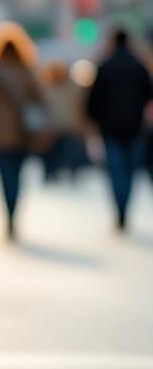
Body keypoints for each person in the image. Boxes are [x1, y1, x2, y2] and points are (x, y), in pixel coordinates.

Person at [0, 23, 48, 241]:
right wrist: (42, 133)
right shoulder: (27, 73)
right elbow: (41, 104)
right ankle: (14, 214)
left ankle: (9, 217)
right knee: (17, 177)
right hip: (22, 136)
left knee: (5, 178)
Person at [86, 28, 153, 230]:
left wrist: (93, 120)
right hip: (134, 128)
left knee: (116, 171)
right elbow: (149, 94)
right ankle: (125, 206)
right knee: (129, 171)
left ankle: (120, 208)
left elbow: (93, 99)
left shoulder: (105, 66)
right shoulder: (139, 66)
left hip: (110, 128)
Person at [41, 61, 88, 182]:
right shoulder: (48, 88)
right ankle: (52, 172)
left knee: (65, 151)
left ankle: (63, 171)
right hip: (56, 128)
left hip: (65, 127)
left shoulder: (66, 88)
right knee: (54, 152)